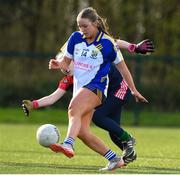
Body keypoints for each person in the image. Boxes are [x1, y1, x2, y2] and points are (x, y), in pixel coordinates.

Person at [23, 7, 149, 171]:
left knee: (73, 108)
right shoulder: (75, 38)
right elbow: (65, 63)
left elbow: (123, 69)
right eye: (79, 26)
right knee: (82, 132)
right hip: (81, 91)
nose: (82, 30)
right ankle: (114, 159)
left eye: (85, 26)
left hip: (97, 87)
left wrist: (134, 90)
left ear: (96, 23)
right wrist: (58, 64)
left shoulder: (107, 43)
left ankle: (68, 144)